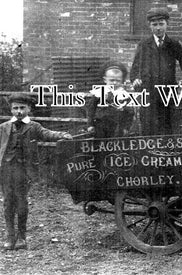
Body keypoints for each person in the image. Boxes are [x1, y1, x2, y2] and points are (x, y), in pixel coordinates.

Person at [0, 93, 72, 250]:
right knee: (7, 203)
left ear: (29, 109)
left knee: (21, 203)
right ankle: (10, 237)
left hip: (23, 171)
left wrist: (62, 135)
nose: (19, 111)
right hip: (6, 170)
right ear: (11, 109)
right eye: (15, 108)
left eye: (22, 108)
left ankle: (22, 238)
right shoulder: (4, 128)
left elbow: (47, 134)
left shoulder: (33, 127)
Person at [130, 8, 182, 135]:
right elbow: (135, 67)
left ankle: (169, 153)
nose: (158, 28)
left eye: (161, 24)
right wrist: (135, 79)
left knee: (169, 124)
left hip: (168, 92)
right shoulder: (144, 45)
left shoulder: (173, 44)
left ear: (167, 24)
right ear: (149, 26)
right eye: (154, 24)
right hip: (149, 92)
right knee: (148, 125)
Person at [86, 61, 135, 138]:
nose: (115, 83)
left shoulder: (124, 95)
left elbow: (130, 113)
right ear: (105, 80)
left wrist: (126, 128)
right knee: (99, 144)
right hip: (99, 125)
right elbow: (91, 109)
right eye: (112, 80)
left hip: (117, 126)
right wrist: (90, 125)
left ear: (122, 80)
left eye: (118, 80)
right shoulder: (98, 93)